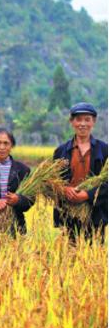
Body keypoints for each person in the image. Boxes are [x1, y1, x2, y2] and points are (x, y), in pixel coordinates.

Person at [53, 103, 107, 242]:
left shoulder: (104, 150)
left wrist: (87, 195)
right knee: (69, 256)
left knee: (94, 257)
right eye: (78, 119)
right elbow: (51, 182)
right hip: (68, 213)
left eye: (87, 119)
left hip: (95, 214)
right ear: (72, 122)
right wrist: (64, 189)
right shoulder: (61, 151)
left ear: (93, 122)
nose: (82, 124)